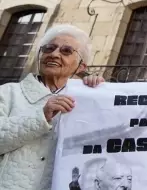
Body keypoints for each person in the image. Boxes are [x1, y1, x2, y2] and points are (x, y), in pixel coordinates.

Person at [0, 24, 105, 190]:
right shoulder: (8, 92)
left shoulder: (85, 99)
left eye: (66, 51)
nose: (54, 54)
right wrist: (40, 117)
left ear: (81, 66)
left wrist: (102, 94)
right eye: (49, 48)